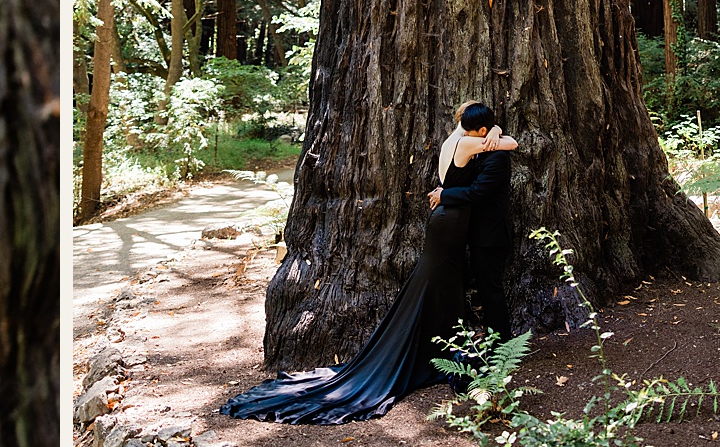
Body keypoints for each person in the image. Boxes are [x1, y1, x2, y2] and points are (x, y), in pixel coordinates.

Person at [221, 104, 517, 425]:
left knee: (443, 282)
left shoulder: (453, 139)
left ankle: (442, 347)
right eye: (486, 132)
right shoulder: (470, 144)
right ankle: (428, 350)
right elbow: (509, 145)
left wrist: (492, 133)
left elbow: (493, 144)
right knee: (437, 280)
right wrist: (494, 138)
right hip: (449, 222)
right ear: (480, 132)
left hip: (452, 223)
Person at [431, 102, 514, 335]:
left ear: (482, 132)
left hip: (491, 235)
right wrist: (496, 130)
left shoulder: (497, 158)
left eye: (471, 132)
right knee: (485, 288)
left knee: (491, 290)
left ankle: (502, 342)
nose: (466, 135)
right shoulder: (480, 145)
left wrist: (445, 195)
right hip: (479, 232)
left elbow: (478, 192)